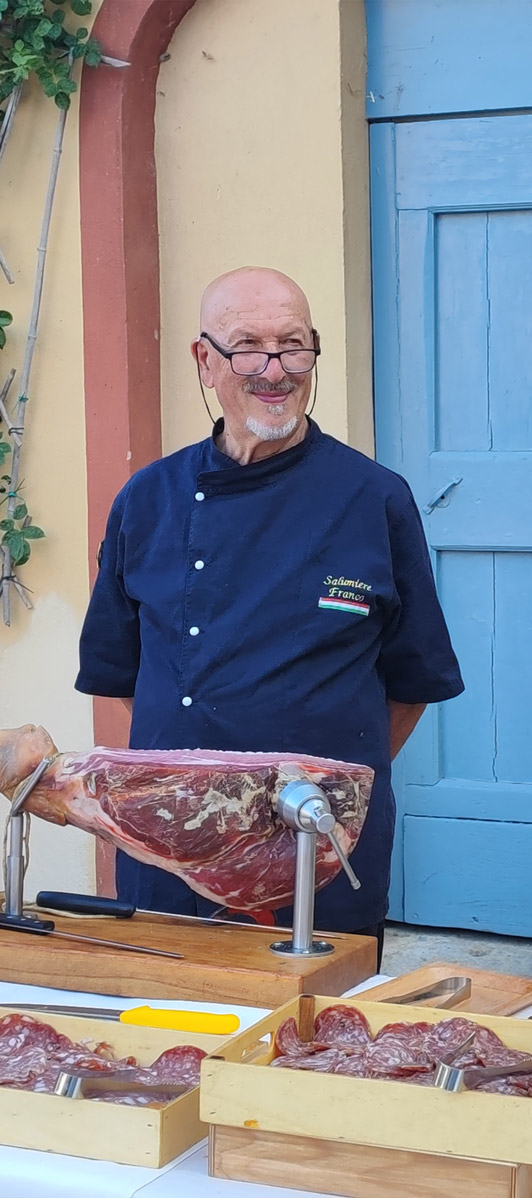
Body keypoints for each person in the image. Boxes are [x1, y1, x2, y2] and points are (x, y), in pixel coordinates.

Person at [75, 266, 464, 954]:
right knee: (171, 1029)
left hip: (319, 850)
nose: (274, 369)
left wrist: (330, 790)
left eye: (293, 345)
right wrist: (199, 789)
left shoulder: (375, 499)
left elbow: (412, 687)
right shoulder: (147, 500)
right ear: (205, 361)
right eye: (247, 346)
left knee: (318, 1037)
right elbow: (124, 676)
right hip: (172, 843)